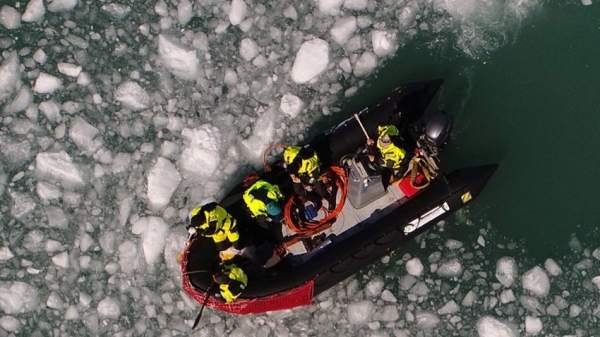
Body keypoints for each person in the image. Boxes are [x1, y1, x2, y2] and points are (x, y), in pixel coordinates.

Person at [283, 145, 337, 212]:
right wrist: (294, 176)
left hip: (313, 171)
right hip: (303, 172)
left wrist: (299, 179)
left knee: (320, 189)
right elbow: (291, 167)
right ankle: (316, 200)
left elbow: (293, 167)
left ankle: (330, 198)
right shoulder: (293, 155)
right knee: (298, 190)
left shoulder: (302, 160)